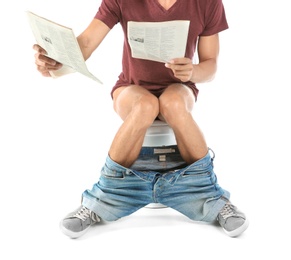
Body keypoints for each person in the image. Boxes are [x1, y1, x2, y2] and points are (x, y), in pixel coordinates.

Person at [33, 0, 249, 238]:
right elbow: (85, 43)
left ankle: (213, 198)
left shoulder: (207, 3)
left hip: (179, 88)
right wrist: (55, 63)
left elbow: (211, 65)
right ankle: (98, 200)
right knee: (146, 105)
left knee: (172, 103)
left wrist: (192, 71)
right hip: (131, 88)